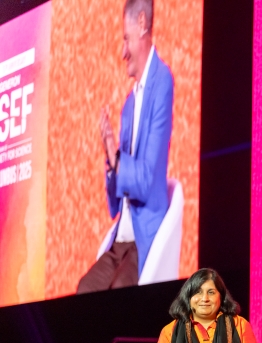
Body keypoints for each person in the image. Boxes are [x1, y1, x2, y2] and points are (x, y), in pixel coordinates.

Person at [78, 0, 174, 293]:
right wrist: (109, 159)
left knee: (120, 288)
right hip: (122, 237)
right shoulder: (128, 106)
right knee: (85, 288)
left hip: (144, 237)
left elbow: (144, 181)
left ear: (142, 23)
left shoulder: (163, 83)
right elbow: (114, 203)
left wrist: (116, 157)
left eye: (125, 39)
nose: (122, 53)